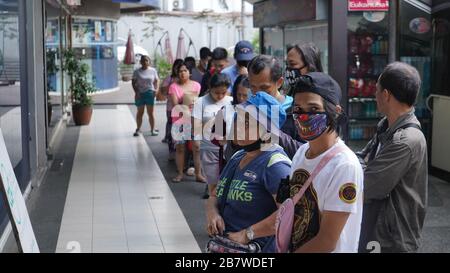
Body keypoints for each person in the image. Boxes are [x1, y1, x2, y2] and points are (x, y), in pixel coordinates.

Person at [279, 72, 364, 253]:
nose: (303, 116)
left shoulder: (344, 165)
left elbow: (327, 241)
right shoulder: (302, 153)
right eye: (298, 109)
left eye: (314, 109)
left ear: (336, 111)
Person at [205, 92, 291, 253]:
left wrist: (248, 234)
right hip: (227, 247)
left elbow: (289, 215)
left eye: (248, 122)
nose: (238, 126)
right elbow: (214, 195)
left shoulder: (275, 165)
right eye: (238, 118)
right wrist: (212, 213)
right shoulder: (238, 156)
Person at [357, 62, 428, 253]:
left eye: (377, 90)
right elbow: (363, 157)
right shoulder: (387, 125)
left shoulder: (405, 140)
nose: (375, 94)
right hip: (378, 231)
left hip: (392, 240)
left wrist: (360, 166)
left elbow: (367, 185)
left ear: (386, 95)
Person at [247, 55, 303, 159]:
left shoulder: (296, 112)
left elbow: (307, 153)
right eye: (252, 87)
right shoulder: (247, 108)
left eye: (264, 88)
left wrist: (273, 133)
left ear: (279, 83)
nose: (258, 93)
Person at [192, 73, 233, 187]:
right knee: (212, 176)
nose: (220, 96)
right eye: (216, 92)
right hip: (208, 145)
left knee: (226, 176)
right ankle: (211, 191)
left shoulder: (231, 101)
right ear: (210, 88)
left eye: (223, 93)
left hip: (227, 146)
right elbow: (196, 123)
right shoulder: (200, 102)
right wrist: (196, 140)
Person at [169, 62, 206, 183]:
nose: (182, 73)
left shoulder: (196, 85)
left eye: (185, 70)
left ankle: (198, 174)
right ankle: (180, 173)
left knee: (197, 147)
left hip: (194, 119)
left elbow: (198, 101)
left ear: (189, 72)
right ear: (177, 73)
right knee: (180, 148)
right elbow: (175, 105)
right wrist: (185, 101)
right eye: (180, 71)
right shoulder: (173, 87)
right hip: (179, 120)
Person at [161, 59, 184, 160]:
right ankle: (171, 150)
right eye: (177, 67)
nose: (179, 70)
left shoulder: (186, 81)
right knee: (171, 129)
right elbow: (163, 91)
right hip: (171, 108)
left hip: (184, 109)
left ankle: (180, 151)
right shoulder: (169, 79)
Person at [132, 55, 160, 137]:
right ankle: (138, 129)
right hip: (140, 94)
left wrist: (156, 89)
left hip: (150, 93)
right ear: (140, 62)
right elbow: (133, 82)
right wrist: (136, 92)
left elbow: (157, 80)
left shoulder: (153, 70)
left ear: (149, 62)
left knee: (150, 113)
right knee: (140, 112)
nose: (145, 62)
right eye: (143, 60)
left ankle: (152, 129)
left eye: (146, 60)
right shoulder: (137, 71)